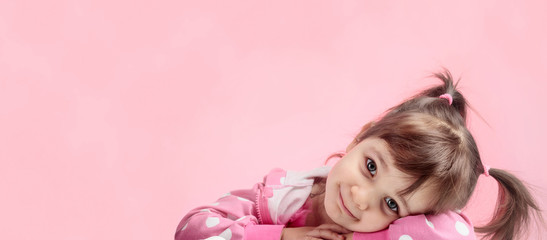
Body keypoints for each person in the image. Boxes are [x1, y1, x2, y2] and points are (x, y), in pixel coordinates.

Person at [174, 70, 543, 240]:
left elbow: (454, 236)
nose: (361, 199)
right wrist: (281, 237)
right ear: (361, 137)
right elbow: (192, 230)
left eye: (392, 204)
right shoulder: (278, 197)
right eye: (370, 167)